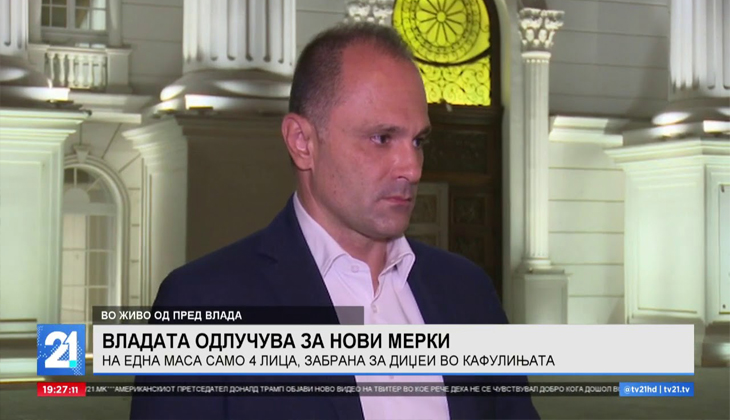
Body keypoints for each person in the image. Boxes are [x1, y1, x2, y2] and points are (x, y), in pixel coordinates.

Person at [130, 23, 540, 420]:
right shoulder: (203, 303)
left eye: (418, 141)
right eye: (382, 138)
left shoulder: (468, 293)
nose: (412, 168)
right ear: (302, 142)